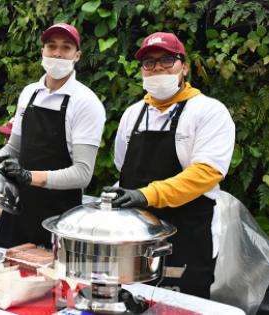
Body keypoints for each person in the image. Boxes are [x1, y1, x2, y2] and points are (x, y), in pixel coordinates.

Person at [105, 32, 235, 298]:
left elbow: (206, 173)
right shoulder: (133, 114)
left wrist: (146, 194)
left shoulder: (208, 112)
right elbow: (123, 166)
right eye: (149, 63)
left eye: (167, 59)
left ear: (184, 66)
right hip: (136, 240)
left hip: (187, 238)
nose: (158, 68)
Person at [0, 23, 106, 248]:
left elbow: (83, 173)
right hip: (17, 210)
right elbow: (13, 148)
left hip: (58, 219)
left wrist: (29, 176)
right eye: (51, 46)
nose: (57, 53)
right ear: (42, 51)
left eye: (66, 47)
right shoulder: (29, 93)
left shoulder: (85, 102)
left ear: (77, 55)